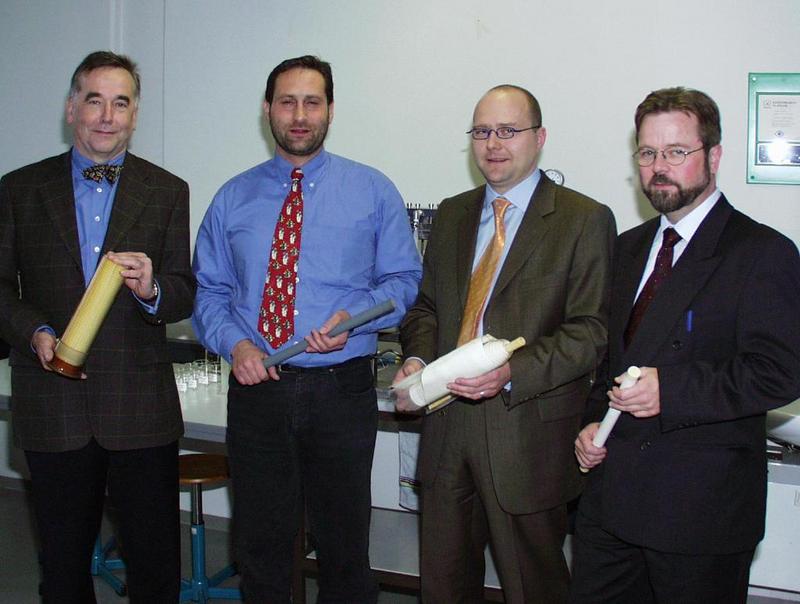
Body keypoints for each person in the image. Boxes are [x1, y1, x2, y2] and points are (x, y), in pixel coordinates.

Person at [191, 55, 421, 603]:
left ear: (331, 110)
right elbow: (209, 292)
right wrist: (237, 344)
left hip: (340, 390)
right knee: (261, 547)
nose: (299, 115)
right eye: (287, 102)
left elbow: (404, 279)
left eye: (312, 102)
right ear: (267, 110)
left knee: (344, 549)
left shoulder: (371, 190)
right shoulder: (232, 197)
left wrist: (355, 317)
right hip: (257, 392)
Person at [570, 87, 800, 604]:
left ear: (713, 156)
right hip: (611, 508)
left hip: (701, 517)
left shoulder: (761, 252)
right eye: (648, 153)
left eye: (676, 152)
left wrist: (669, 390)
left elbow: (780, 372)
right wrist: (589, 424)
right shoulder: (628, 248)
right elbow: (611, 360)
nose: (659, 167)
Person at [394, 84, 616, 603]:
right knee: (443, 587)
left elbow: (590, 332)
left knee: (532, 587)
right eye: (481, 131)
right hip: (446, 429)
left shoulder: (582, 219)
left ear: (539, 138)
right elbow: (426, 308)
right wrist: (417, 357)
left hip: (526, 437)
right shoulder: (451, 214)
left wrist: (512, 371)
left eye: (508, 131)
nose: (493, 143)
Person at [0, 51, 195, 603]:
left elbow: (183, 290)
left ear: (135, 116)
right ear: (71, 109)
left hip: (140, 407)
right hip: (51, 401)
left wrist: (152, 288)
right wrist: (34, 329)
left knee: (155, 566)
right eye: (94, 100)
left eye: (121, 102)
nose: (107, 116)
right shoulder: (18, 189)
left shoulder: (166, 190)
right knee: (61, 566)